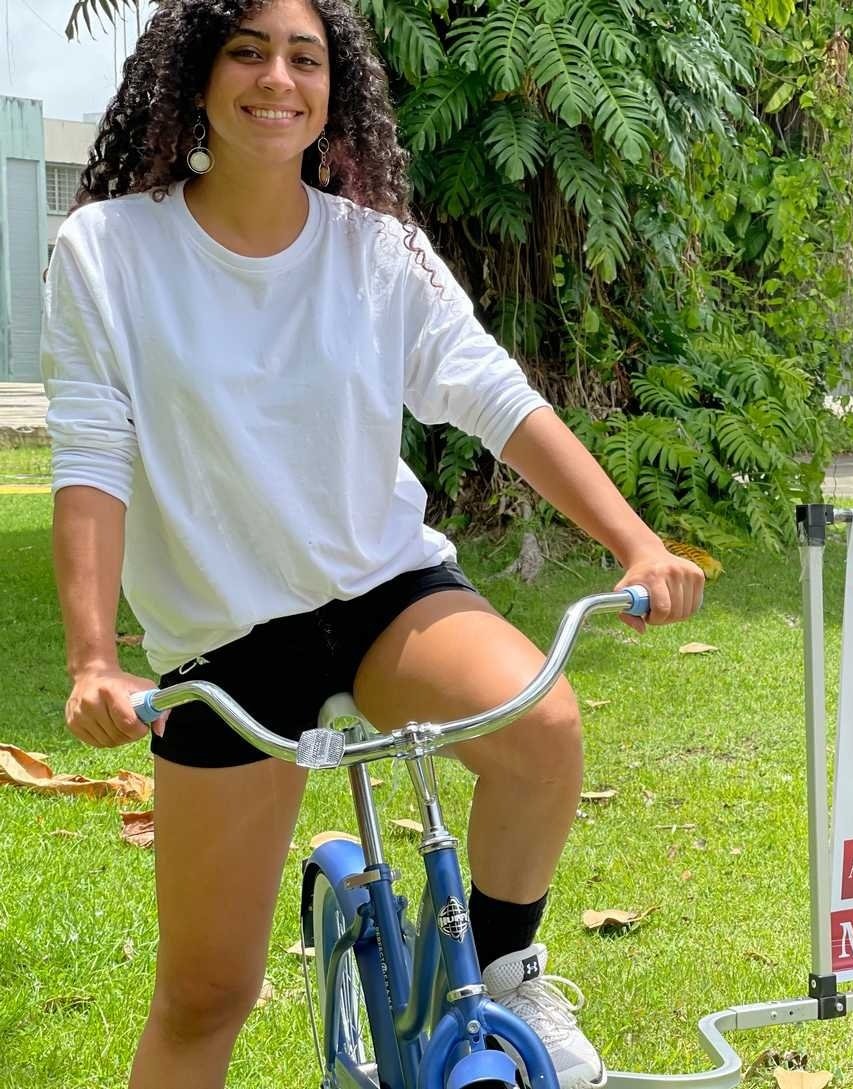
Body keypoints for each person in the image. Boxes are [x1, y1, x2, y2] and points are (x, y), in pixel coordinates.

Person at [42, 2, 704, 1087]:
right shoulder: (112, 251)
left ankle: (502, 976)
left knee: (542, 724)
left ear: (333, 87)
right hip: (227, 642)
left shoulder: (378, 250)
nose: (277, 79)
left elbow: (498, 400)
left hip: (386, 596)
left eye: (304, 57)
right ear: (194, 78)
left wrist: (634, 541)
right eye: (247, 51)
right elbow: (92, 458)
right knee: (207, 995)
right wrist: (91, 659)